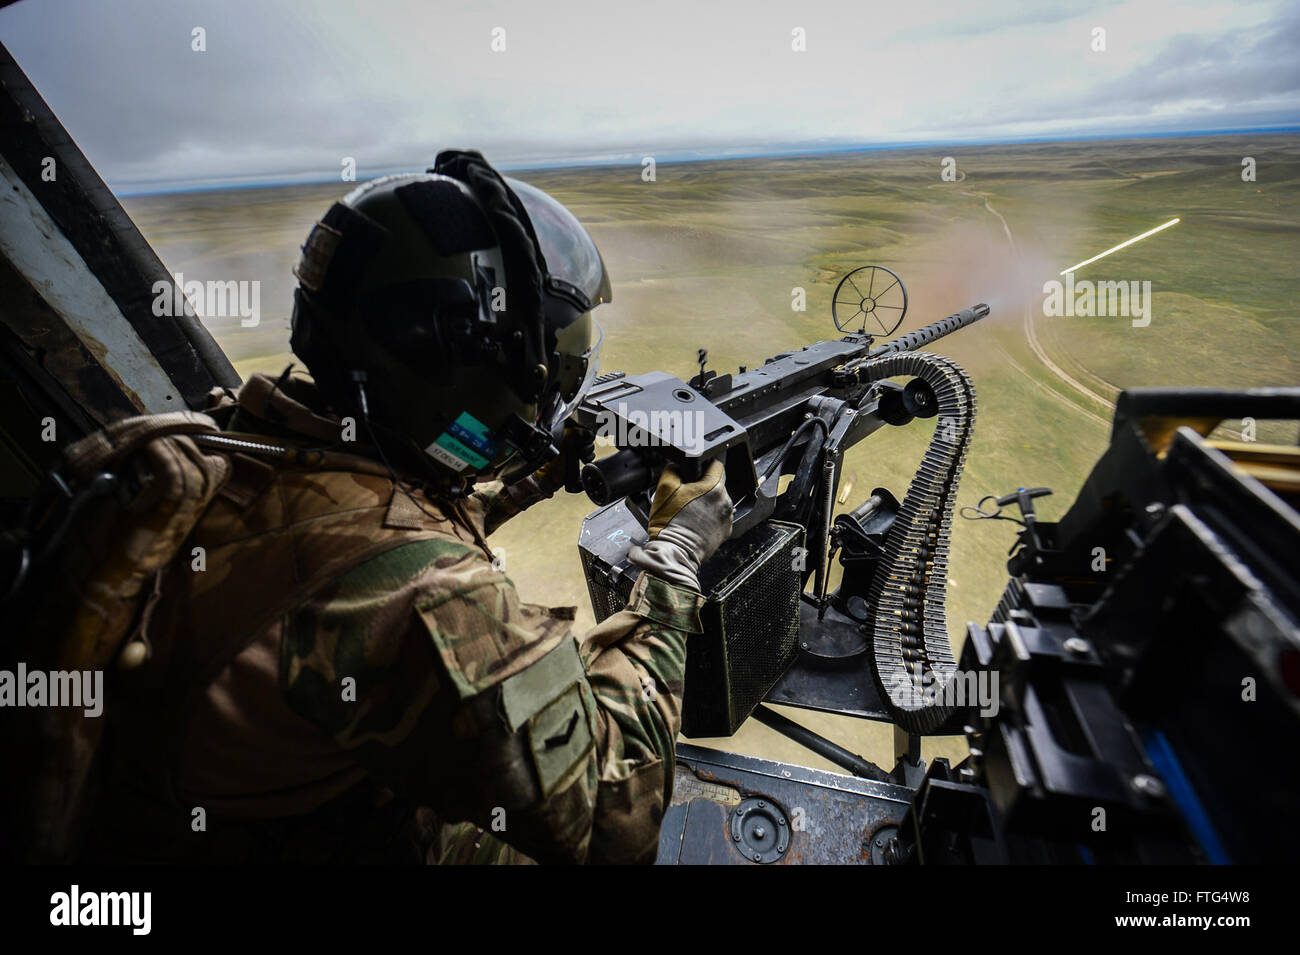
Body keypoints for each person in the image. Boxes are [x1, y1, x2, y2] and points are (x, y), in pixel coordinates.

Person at [83, 150, 732, 864]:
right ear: (464, 370)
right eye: (554, 368)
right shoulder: (426, 596)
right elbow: (613, 823)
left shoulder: (246, 443)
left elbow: (377, 517)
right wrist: (673, 559)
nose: (555, 391)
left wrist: (540, 469)